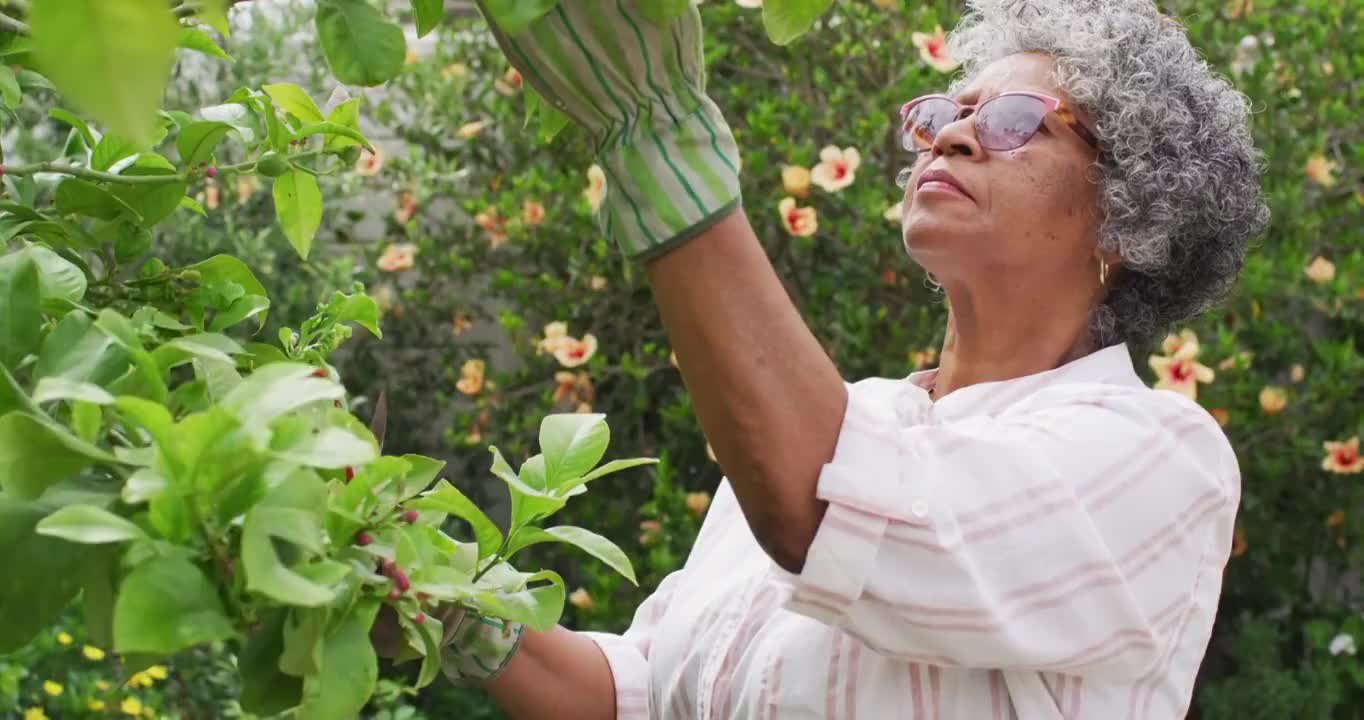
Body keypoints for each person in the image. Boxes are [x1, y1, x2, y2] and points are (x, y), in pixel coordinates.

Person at [423, 1, 1270, 717]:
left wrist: (658, 138)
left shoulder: (1158, 455)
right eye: (941, 114)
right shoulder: (842, 421)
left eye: (1015, 121)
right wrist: (446, 603)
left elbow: (824, 512)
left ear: (1130, 219)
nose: (955, 137)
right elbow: (640, 690)